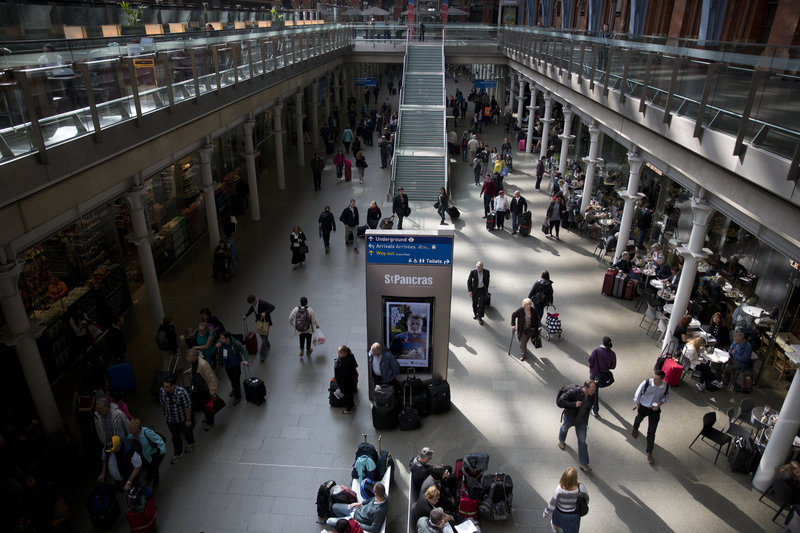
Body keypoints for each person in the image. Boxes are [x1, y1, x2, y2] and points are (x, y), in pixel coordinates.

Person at [556, 380, 596, 472]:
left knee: (582, 440)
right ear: (585, 388)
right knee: (564, 428)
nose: (594, 392)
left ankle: (583, 463)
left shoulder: (592, 396)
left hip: (581, 420)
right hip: (570, 417)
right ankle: (561, 440)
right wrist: (574, 404)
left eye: (594, 390)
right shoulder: (574, 392)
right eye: (592, 390)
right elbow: (560, 402)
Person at [631, 369, 670, 463]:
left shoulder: (666, 386)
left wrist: (659, 405)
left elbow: (666, 397)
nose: (654, 380)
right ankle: (635, 428)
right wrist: (638, 406)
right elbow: (638, 394)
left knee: (652, 431)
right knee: (638, 419)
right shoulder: (647, 383)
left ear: (662, 379)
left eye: (656, 379)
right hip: (644, 406)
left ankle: (649, 452)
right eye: (653, 377)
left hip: (655, 410)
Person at [160, 373, 195, 464]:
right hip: (171, 419)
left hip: (182, 418)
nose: (165, 388)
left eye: (167, 387)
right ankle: (178, 452)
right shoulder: (162, 391)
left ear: (173, 385)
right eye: (164, 386)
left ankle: (190, 442)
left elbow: (188, 406)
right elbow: (163, 402)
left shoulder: (181, 392)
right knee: (175, 436)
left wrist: (188, 419)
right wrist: (164, 412)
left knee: (187, 431)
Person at [542, 467, 588, 533]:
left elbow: (553, 503)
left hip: (559, 512)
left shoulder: (559, 489)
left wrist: (546, 512)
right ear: (575, 478)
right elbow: (586, 499)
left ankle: (555, 530)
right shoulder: (580, 488)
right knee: (571, 530)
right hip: (574, 514)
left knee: (555, 523)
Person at [184, 348, 219, 429]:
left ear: (194, 356)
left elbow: (212, 378)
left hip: (205, 390)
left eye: (188, 357)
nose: (187, 358)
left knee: (207, 406)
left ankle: (210, 421)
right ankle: (207, 416)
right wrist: (189, 371)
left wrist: (212, 392)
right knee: (202, 406)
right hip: (198, 389)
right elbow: (195, 369)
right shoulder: (194, 362)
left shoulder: (203, 365)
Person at [127, 419, 166, 486]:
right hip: (142, 455)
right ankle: (150, 474)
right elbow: (128, 439)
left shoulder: (147, 432)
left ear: (136, 429)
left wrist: (162, 451)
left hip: (151, 454)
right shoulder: (132, 435)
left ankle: (156, 479)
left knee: (153, 467)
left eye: (130, 429)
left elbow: (158, 440)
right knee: (147, 466)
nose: (129, 430)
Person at [215, 331, 249, 405]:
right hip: (227, 365)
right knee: (231, 379)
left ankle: (238, 396)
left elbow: (244, 350)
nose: (220, 340)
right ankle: (234, 389)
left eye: (222, 338)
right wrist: (217, 347)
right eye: (220, 338)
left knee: (236, 380)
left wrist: (245, 360)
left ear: (227, 338)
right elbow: (215, 348)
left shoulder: (235, 343)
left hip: (235, 365)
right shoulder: (220, 343)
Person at [588, 336, 617, 417]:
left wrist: (590, 368)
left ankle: (595, 409)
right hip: (603, 375)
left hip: (594, 374)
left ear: (602, 342)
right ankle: (595, 409)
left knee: (594, 391)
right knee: (596, 388)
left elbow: (590, 361)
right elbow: (613, 366)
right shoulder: (612, 354)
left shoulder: (596, 351)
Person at [244, 294, 275, 362]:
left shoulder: (262, 303)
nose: (252, 304)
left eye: (253, 302)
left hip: (265, 322)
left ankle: (262, 356)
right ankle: (268, 344)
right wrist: (246, 315)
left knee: (263, 340)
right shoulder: (253, 305)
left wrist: (265, 313)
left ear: (255, 299)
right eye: (251, 303)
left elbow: (272, 307)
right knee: (263, 337)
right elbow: (251, 309)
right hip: (259, 322)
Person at [467, 261, 490, 325]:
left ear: (482, 267)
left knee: (481, 303)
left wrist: (486, 289)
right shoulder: (473, 272)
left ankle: (480, 317)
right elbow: (469, 281)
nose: (479, 269)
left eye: (480, 268)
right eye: (478, 268)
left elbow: (487, 280)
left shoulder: (486, 272)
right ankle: (475, 313)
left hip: (482, 289)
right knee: (474, 302)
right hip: (475, 290)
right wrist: (470, 291)